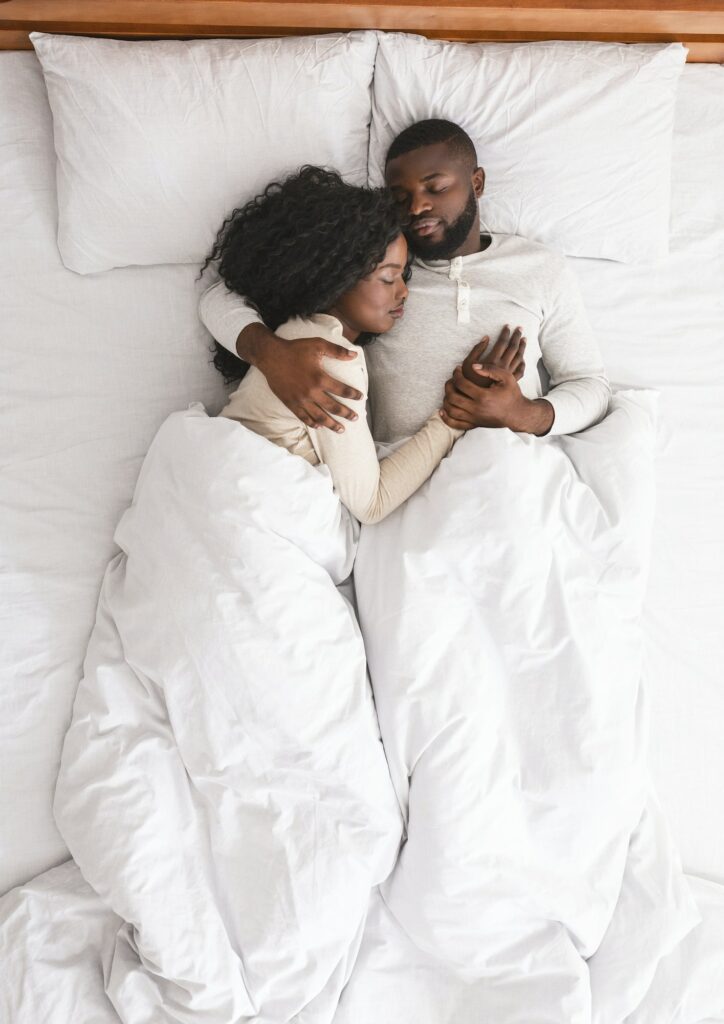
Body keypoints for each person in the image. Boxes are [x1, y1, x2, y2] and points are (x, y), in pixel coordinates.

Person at [200, 119, 610, 444]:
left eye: (436, 186)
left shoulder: (540, 266)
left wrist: (524, 414)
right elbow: (219, 297)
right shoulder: (369, 269)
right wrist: (271, 355)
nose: (417, 207)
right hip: (400, 481)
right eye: (400, 198)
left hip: (515, 464)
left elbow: (590, 384)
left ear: (477, 183)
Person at [204, 166, 524, 525]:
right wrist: (453, 419)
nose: (404, 291)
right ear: (337, 278)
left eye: (403, 276)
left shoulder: (298, 329)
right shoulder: (329, 359)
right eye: (388, 278)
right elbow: (372, 504)